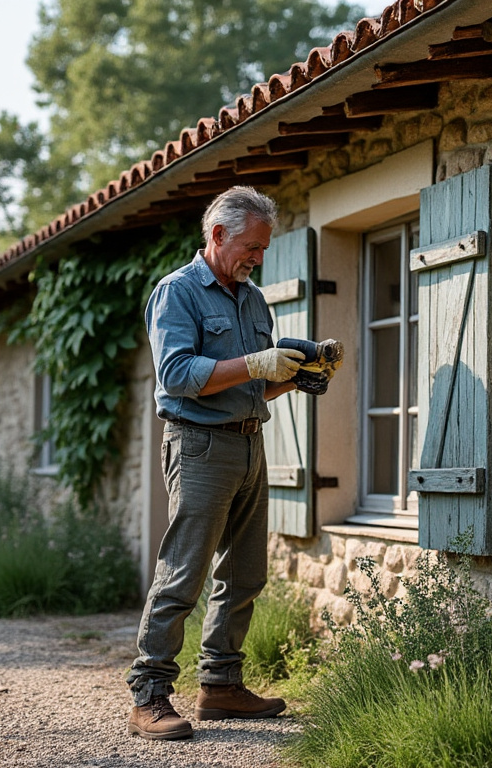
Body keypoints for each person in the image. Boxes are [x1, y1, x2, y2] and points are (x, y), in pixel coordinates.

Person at [127, 186, 305, 741]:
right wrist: (256, 362)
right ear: (218, 235)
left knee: (244, 574)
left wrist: (296, 377)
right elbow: (177, 375)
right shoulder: (177, 292)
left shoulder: (252, 299)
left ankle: (220, 687)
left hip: (250, 442)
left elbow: (251, 386)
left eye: (264, 248)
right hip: (199, 445)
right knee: (183, 573)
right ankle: (149, 695)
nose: (259, 257)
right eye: (252, 246)